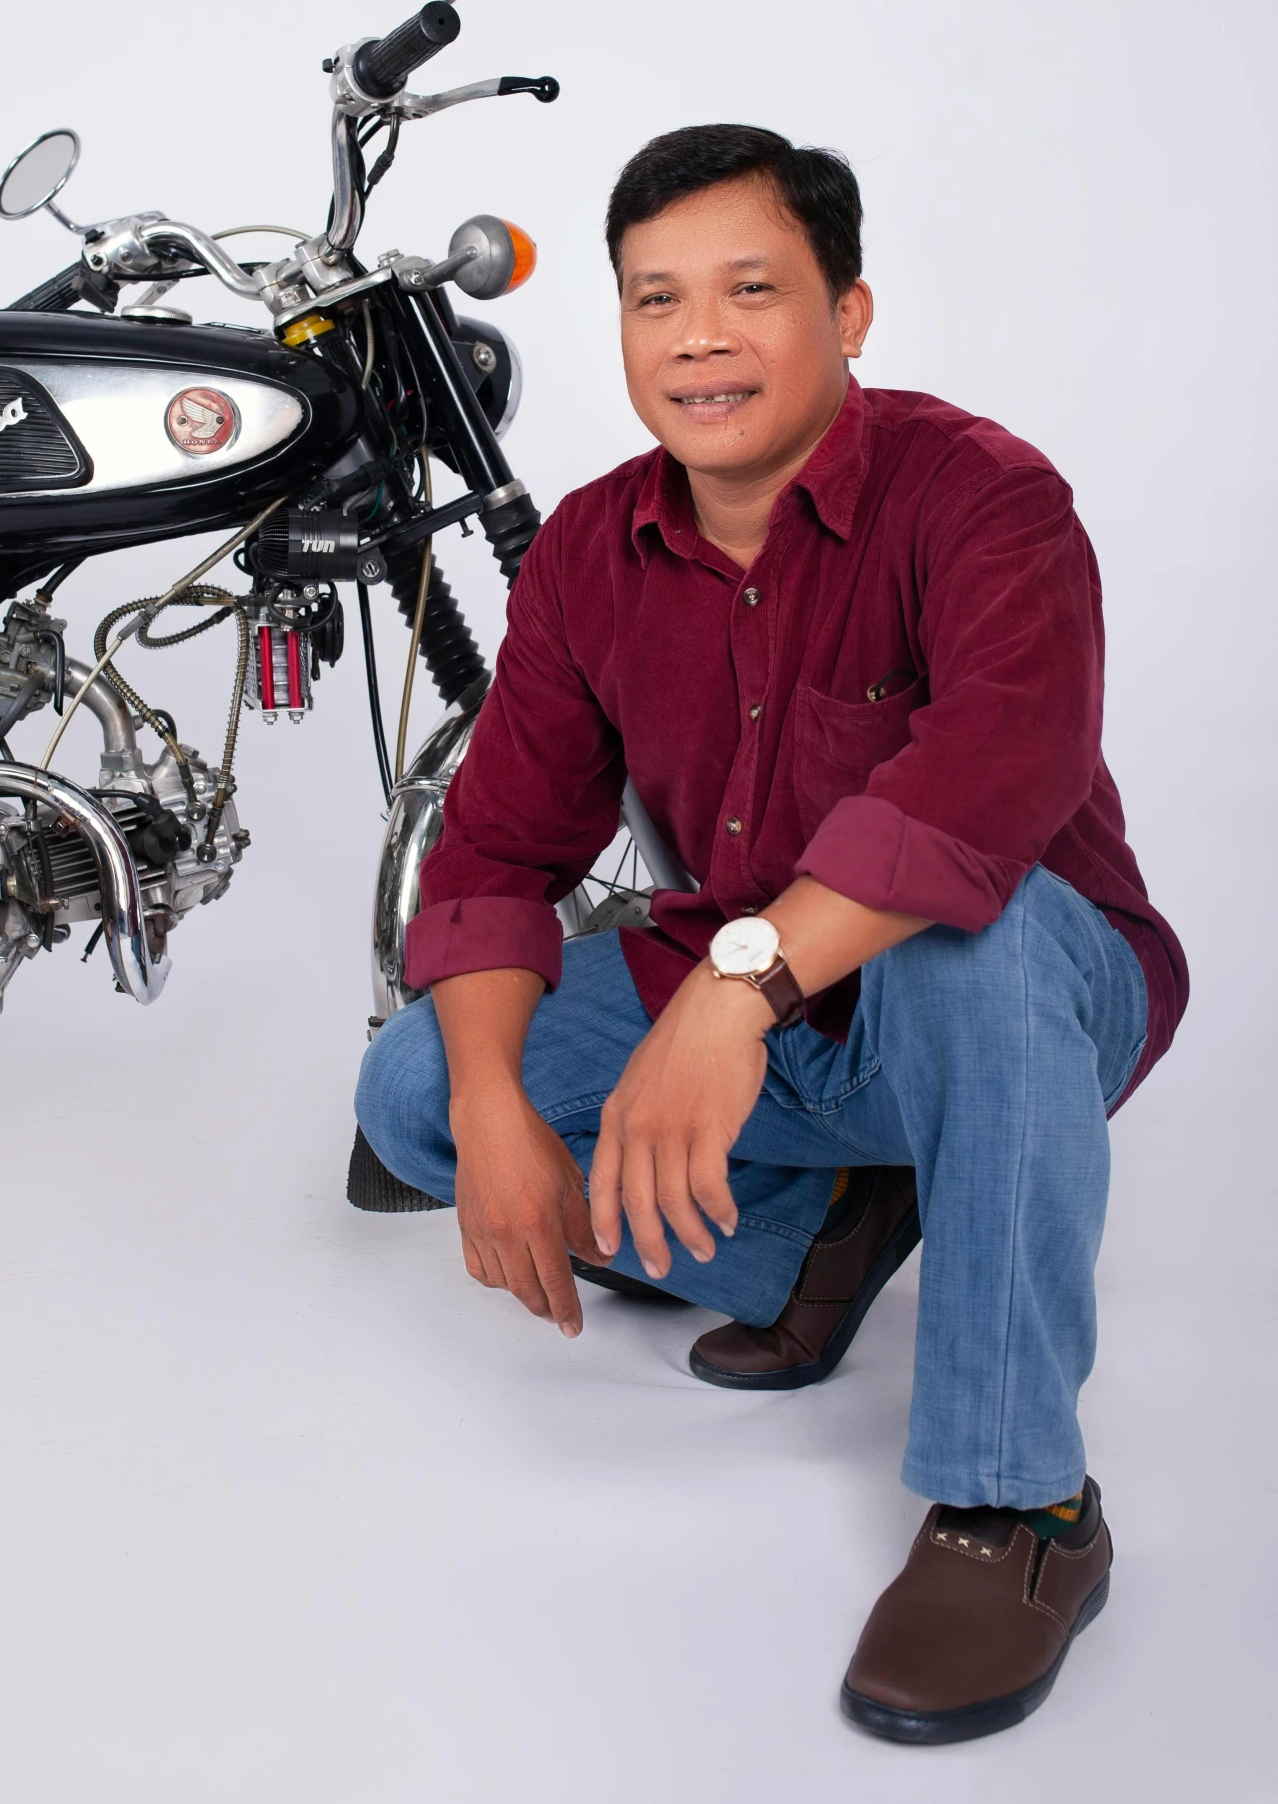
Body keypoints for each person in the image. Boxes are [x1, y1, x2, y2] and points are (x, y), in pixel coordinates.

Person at [354, 124, 1186, 1745]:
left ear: (849, 313)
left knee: (971, 937)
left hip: (1018, 983)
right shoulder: (594, 547)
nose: (698, 337)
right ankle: (821, 1233)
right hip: (749, 993)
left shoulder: (986, 497)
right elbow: (503, 844)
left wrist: (736, 993)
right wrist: (485, 1107)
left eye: (751, 289)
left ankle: (1020, 1508)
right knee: (416, 1095)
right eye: (654, 299)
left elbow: (986, 784)